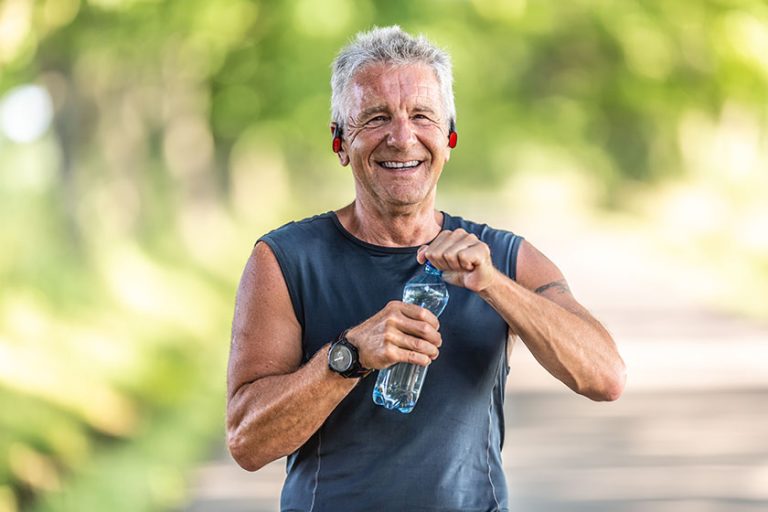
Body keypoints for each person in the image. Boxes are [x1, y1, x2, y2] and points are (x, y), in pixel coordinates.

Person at [226, 26, 626, 512]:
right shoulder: (284, 261)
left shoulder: (504, 257)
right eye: (375, 118)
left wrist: (493, 285)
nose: (401, 137)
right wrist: (350, 355)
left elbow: (605, 378)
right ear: (339, 142)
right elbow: (248, 442)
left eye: (422, 116)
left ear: (450, 137)